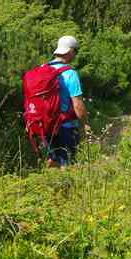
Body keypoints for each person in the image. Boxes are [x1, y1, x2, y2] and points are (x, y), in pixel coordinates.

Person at [44, 35, 88, 168]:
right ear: (70, 51)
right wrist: (84, 125)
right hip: (66, 126)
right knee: (66, 163)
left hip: (46, 125)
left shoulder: (43, 68)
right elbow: (78, 104)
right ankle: (66, 188)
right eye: (75, 51)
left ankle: (46, 185)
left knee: (52, 159)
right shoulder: (70, 73)